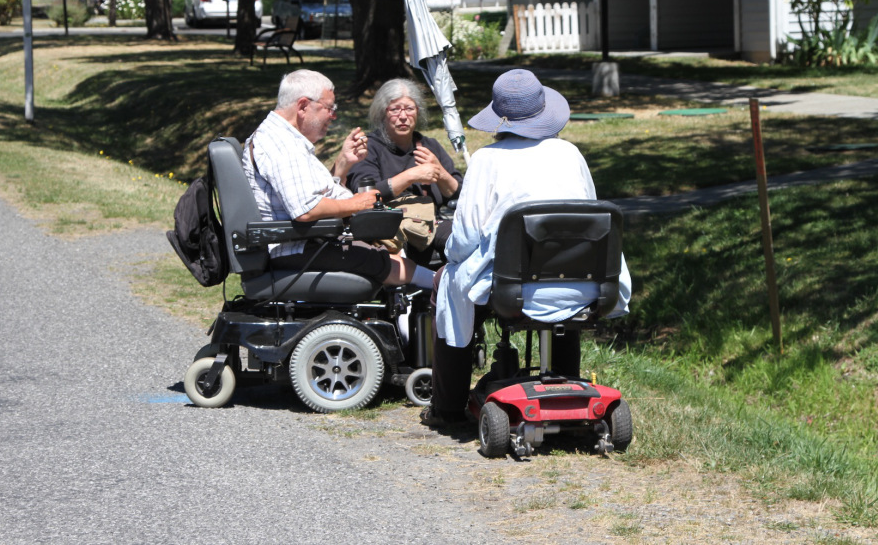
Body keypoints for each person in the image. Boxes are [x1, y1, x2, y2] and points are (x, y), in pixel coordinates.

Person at [422, 69, 632, 426]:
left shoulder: (487, 161)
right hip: (587, 286)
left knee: (447, 282)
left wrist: (449, 253)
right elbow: (589, 220)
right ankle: (566, 378)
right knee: (561, 276)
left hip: (512, 290)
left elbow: (466, 238)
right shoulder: (571, 154)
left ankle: (448, 407)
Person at [242, 69, 435, 288]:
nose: (333, 116)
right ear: (303, 106)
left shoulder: (285, 139)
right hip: (293, 248)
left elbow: (312, 195)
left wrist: (343, 163)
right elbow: (306, 210)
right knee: (387, 263)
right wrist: (356, 203)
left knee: (389, 255)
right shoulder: (281, 144)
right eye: (329, 108)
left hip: (303, 242)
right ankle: (442, 286)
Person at [346, 78, 463, 263]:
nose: (403, 116)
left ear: (418, 112)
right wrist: (410, 176)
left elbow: (460, 194)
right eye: (395, 109)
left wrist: (440, 172)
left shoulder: (429, 146)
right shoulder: (369, 149)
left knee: (466, 242)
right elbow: (364, 195)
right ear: (382, 113)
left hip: (430, 226)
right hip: (388, 230)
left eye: (409, 108)